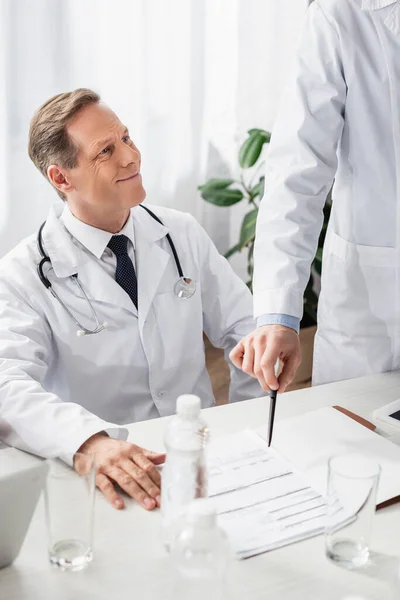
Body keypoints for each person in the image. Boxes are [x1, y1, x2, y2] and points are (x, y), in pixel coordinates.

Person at [0, 88, 262, 511]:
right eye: (106, 150)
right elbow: (6, 385)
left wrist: (248, 423)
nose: (130, 157)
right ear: (61, 178)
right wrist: (90, 443)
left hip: (198, 454)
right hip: (105, 475)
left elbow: (245, 328)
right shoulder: (22, 274)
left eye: (126, 137)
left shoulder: (181, 233)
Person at [231, 0, 400, 392]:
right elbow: (297, 169)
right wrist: (278, 313)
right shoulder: (341, 13)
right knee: (354, 433)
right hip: (374, 300)